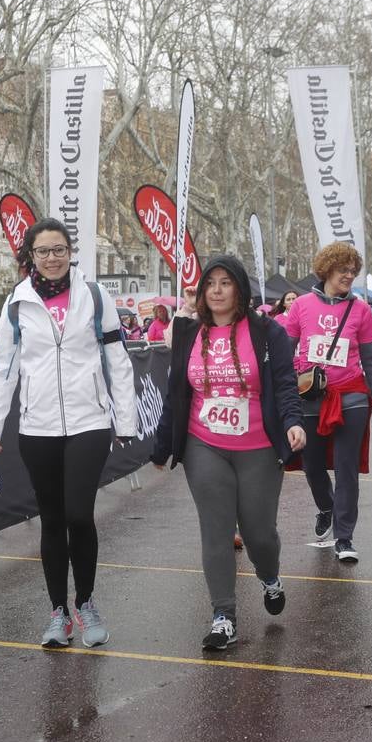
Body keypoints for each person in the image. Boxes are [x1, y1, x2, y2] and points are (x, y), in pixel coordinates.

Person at [0, 217, 137, 647]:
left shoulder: (92, 294)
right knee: (51, 519)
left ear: (71, 253)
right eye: (43, 252)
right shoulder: (16, 302)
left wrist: (125, 420)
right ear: (30, 256)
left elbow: (117, 360)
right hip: (37, 427)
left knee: (78, 515)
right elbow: (4, 369)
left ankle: (86, 603)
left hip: (89, 422)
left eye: (59, 250)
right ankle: (58, 614)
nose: (52, 259)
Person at [150, 255, 306, 650]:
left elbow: (285, 383)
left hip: (257, 445)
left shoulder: (266, 331)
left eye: (225, 282)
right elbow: (175, 392)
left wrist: (293, 422)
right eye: (210, 283)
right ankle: (224, 616)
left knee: (258, 534)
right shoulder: (187, 331)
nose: (216, 290)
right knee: (216, 531)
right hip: (204, 444)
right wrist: (162, 445)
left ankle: (269, 576)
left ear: (239, 288)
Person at [281, 242, 372, 563]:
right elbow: (285, 354)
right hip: (310, 397)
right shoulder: (301, 306)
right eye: (343, 270)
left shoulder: (361, 311)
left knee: (346, 469)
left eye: (353, 271)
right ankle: (326, 506)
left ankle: (345, 537)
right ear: (327, 269)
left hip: (352, 396)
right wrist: (279, 395)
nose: (348, 276)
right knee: (311, 463)